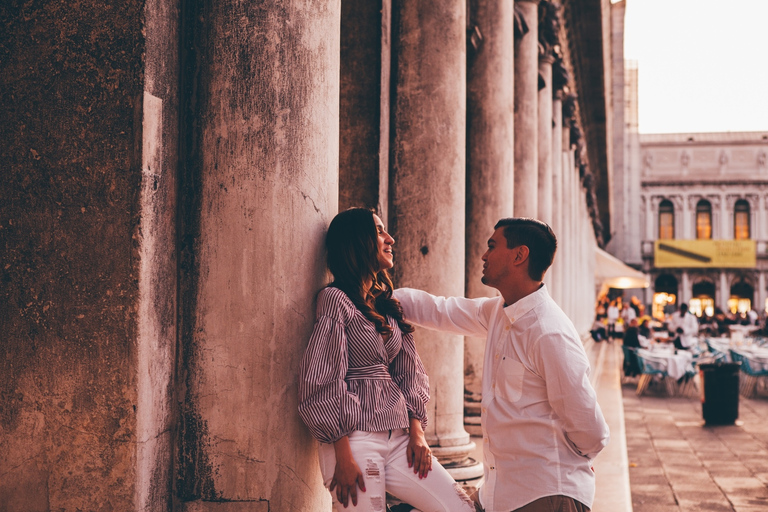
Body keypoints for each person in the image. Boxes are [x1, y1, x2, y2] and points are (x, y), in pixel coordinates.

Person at [394, 218, 610, 512]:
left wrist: (574, 464)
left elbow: (591, 429)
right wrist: (376, 298)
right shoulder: (498, 311)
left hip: (545, 496)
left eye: (492, 246)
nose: (484, 255)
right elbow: (441, 310)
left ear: (519, 255)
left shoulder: (549, 331)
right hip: (502, 496)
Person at [298, 208, 474, 512]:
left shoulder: (388, 307)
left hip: (400, 437)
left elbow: (410, 372)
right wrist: (343, 454)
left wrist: (417, 433)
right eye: (379, 231)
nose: (390, 239)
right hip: (353, 440)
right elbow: (322, 377)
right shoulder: (335, 299)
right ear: (358, 241)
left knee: (459, 507)